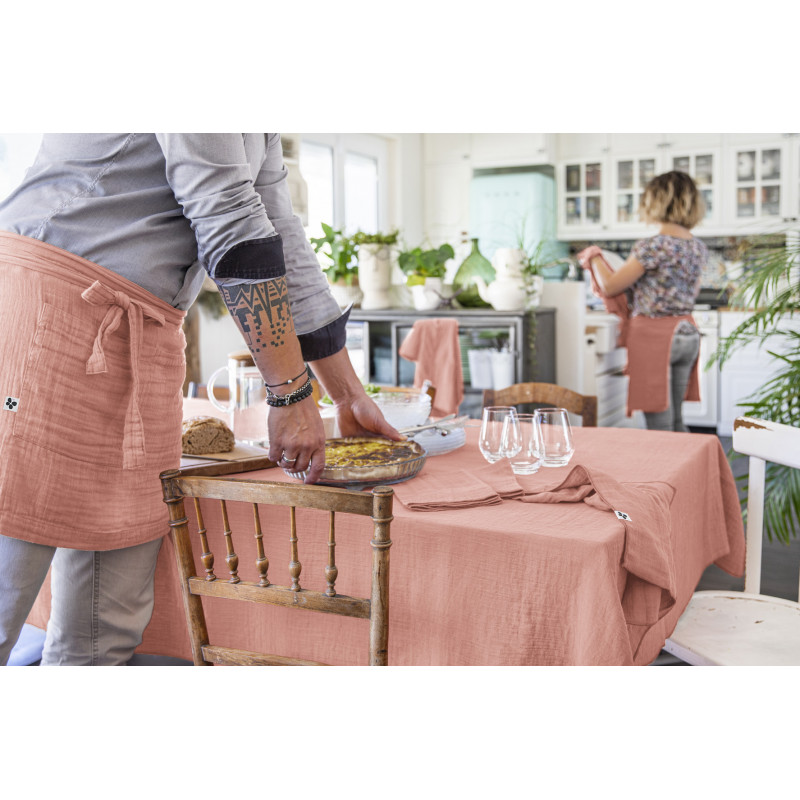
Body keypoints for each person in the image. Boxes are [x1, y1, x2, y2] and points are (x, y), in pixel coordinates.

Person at [0, 133, 400, 666]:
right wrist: (290, 391)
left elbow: (281, 234)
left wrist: (346, 395)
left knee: (105, 631)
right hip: (49, 314)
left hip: (147, 335)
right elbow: (228, 219)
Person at [579, 170, 706, 432]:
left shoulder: (652, 246)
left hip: (656, 337)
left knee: (660, 425)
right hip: (687, 332)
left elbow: (611, 285)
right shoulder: (697, 247)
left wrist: (594, 256)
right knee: (677, 421)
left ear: (655, 202)